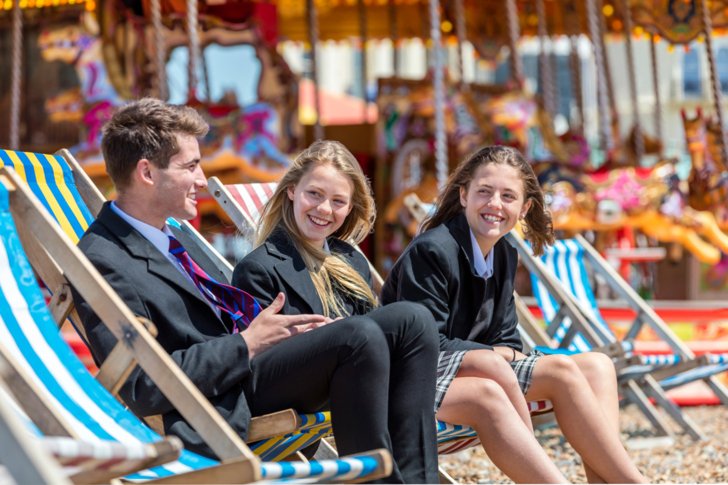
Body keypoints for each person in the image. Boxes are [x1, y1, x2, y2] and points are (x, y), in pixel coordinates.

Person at [73, 98, 440, 483]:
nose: (202, 181)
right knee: (356, 335)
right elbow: (141, 386)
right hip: (217, 400)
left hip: (246, 371)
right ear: (147, 172)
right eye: (191, 166)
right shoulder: (104, 259)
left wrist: (277, 338)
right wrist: (248, 342)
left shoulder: (169, 237)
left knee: (412, 320)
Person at [233, 139, 569, 483]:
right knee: (412, 317)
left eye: (338, 201)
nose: (324, 209)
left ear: (350, 209)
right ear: (291, 191)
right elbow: (264, 355)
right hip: (298, 389)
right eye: (314, 195)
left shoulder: (349, 261)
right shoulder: (260, 267)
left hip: (360, 377)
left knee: (424, 333)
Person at [382, 145, 648, 483]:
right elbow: (426, 343)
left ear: (524, 208)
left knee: (598, 366)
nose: (495, 204)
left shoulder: (504, 253)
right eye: (484, 192)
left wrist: (496, 354)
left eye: (508, 196)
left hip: (477, 368)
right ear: (463, 195)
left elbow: (508, 339)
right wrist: (493, 355)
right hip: (419, 376)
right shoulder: (433, 250)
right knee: (563, 370)